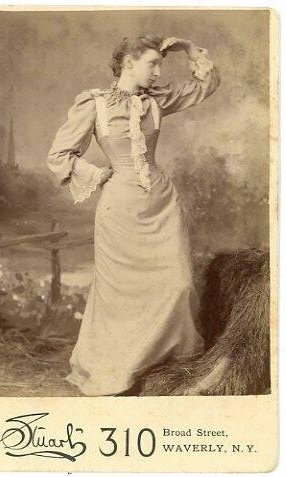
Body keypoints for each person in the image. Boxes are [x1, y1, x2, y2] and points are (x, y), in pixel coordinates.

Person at [47, 35, 220, 396]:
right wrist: (97, 174)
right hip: (120, 208)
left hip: (162, 202)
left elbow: (207, 84)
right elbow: (60, 155)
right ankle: (120, 370)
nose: (158, 72)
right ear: (128, 63)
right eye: (152, 64)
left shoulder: (157, 101)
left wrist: (188, 47)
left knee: (177, 284)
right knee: (120, 295)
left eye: (161, 64)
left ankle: (165, 367)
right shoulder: (93, 104)